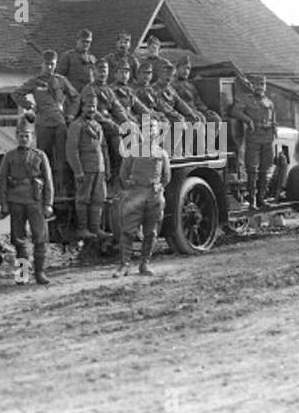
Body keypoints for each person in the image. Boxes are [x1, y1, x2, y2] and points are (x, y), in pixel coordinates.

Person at [0, 120, 53, 285]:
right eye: (20, 136)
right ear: (16, 137)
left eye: (27, 136)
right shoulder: (9, 156)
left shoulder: (40, 156)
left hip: (36, 201)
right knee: (19, 240)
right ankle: (22, 274)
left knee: (40, 238)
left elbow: (48, 181)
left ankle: (40, 273)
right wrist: (4, 204)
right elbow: (2, 182)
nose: (24, 139)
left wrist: (48, 203)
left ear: (32, 137)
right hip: (16, 201)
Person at [114, 115, 171, 277]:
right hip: (135, 195)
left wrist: (156, 190)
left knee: (151, 232)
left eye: (153, 129)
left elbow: (166, 177)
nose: (150, 132)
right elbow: (123, 174)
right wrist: (133, 190)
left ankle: (145, 263)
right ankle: (124, 265)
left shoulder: (162, 153)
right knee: (128, 231)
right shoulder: (132, 152)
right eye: (147, 129)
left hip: (154, 195)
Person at [11, 50, 79, 185]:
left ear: (56, 64)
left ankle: (61, 189)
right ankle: (46, 187)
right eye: (47, 64)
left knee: (62, 157)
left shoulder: (61, 81)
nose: (49, 67)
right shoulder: (35, 82)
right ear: (42, 64)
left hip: (60, 123)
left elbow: (75, 97)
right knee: (44, 157)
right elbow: (16, 94)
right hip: (43, 124)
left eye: (52, 64)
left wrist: (71, 114)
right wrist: (30, 106)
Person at [66, 95, 111, 242]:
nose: (91, 110)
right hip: (85, 169)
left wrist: (107, 168)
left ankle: (95, 228)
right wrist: (78, 170)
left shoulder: (98, 125)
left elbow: (103, 148)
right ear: (82, 108)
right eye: (88, 107)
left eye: (94, 107)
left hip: (99, 168)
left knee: (99, 199)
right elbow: (72, 150)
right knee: (83, 199)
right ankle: (82, 229)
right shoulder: (76, 126)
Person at [230, 76, 277, 209]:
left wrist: (274, 129)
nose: (259, 87)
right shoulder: (247, 100)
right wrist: (248, 120)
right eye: (257, 84)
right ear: (252, 85)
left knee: (265, 169)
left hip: (268, 138)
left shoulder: (269, 102)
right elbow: (235, 111)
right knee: (252, 169)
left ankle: (261, 198)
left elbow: (273, 119)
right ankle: (252, 201)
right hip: (254, 137)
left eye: (262, 84)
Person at [171, 57, 222, 123]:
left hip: (195, 110)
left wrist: (206, 110)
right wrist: (191, 111)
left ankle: (213, 133)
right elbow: (177, 103)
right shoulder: (172, 84)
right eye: (184, 68)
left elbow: (198, 101)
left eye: (188, 69)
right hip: (183, 112)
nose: (186, 71)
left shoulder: (190, 85)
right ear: (177, 69)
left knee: (216, 119)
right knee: (200, 119)